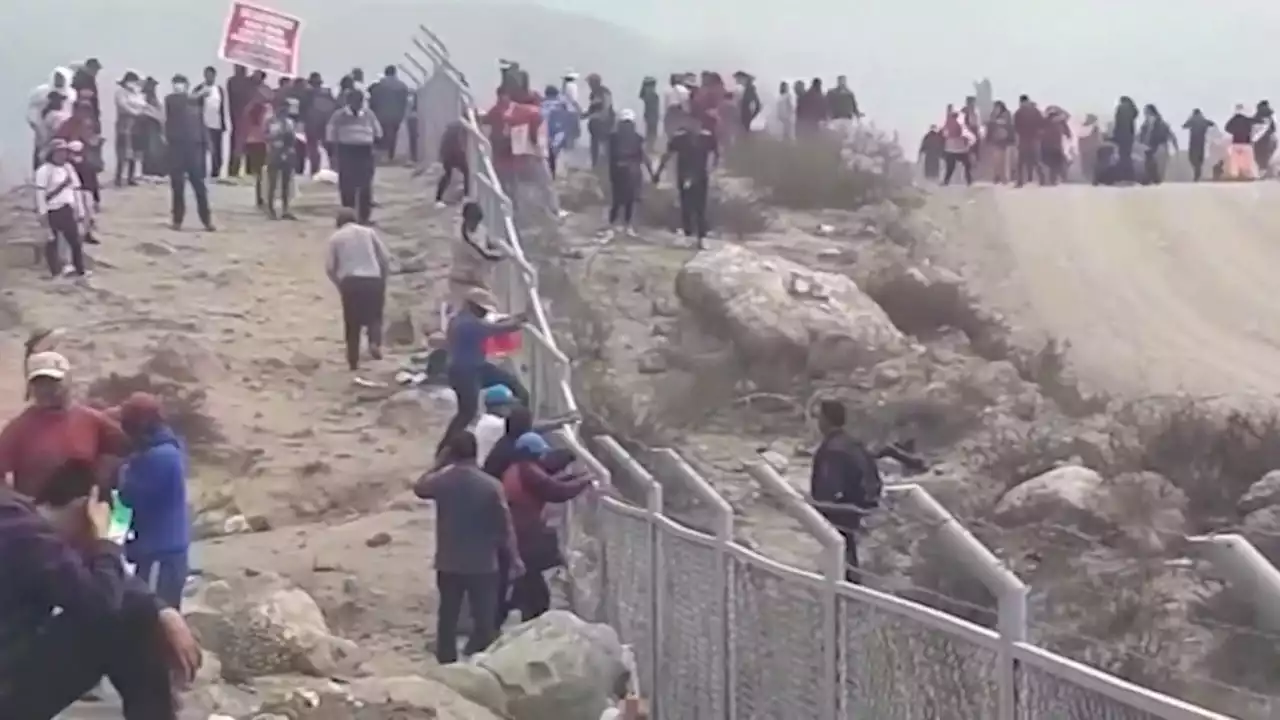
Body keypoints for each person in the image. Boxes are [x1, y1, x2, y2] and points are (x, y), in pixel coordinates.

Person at [0, 471, 202, 719]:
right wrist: (107, 542)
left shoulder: (19, 522)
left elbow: (86, 576)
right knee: (127, 618)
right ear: (86, 507)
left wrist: (160, 608)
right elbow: (100, 602)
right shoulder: (17, 525)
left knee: (131, 607)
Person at [413, 430, 521, 664]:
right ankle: (484, 663)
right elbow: (505, 527)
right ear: (475, 452)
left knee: (448, 616)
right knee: (484, 619)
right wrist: (514, 559)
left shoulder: (442, 481)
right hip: (482, 562)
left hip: (449, 561)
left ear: (451, 454)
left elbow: (419, 488)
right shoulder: (491, 486)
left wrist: (437, 464)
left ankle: (446, 663)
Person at [0, 352, 129, 499]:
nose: (46, 389)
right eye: (39, 383)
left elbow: (132, 448)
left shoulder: (93, 420)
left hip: (85, 514)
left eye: (53, 382)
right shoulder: (18, 429)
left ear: (69, 380)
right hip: (37, 516)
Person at [498, 432, 591, 624]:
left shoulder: (516, 469)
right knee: (534, 589)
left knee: (527, 583)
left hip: (518, 530)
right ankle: (520, 618)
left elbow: (550, 484)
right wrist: (584, 482)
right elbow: (556, 491)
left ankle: (512, 613)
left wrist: (574, 477)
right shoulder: (529, 471)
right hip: (524, 533)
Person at [116, 392, 189, 610]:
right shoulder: (168, 449)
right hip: (164, 550)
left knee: (157, 615)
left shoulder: (158, 457)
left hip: (161, 554)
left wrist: (122, 472)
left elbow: (130, 497)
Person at [438, 289, 529, 456]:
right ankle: (445, 449)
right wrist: (521, 320)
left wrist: (516, 318)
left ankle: (521, 425)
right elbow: (498, 328)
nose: (485, 313)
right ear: (474, 307)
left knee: (512, 384)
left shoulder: (460, 320)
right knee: (467, 412)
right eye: (484, 310)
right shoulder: (468, 323)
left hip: (472, 367)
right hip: (466, 371)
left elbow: (494, 325)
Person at [809, 400, 881, 583]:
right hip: (862, 508)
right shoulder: (854, 443)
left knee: (841, 556)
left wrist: (818, 506)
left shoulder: (832, 450)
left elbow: (828, 487)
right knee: (849, 555)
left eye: (819, 417)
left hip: (842, 511)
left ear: (825, 420)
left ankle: (844, 591)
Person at [326, 207, 390, 372]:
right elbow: (384, 258)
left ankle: (353, 360)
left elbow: (330, 268)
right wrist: (383, 278)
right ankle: (374, 342)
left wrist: (339, 284)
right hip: (373, 278)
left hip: (350, 281)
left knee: (352, 323)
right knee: (375, 315)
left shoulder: (336, 238)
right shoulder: (369, 232)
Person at [653, 117, 717, 248]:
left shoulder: (706, 138)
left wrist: (712, 168)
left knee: (698, 207)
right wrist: (658, 172)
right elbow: (667, 155)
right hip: (688, 176)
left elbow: (716, 153)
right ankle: (691, 236)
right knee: (688, 206)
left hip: (698, 176)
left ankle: (699, 237)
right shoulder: (682, 138)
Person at [164, 75, 215, 232]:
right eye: (176, 84)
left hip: (195, 148)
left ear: (186, 85)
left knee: (199, 186)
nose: (178, 86)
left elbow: (202, 123)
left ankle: (206, 220)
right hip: (177, 148)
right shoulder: (171, 100)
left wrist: (208, 143)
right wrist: (200, 94)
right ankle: (177, 220)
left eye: (181, 84)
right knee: (177, 186)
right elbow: (181, 101)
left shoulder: (196, 104)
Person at [326, 88, 383, 224]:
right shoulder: (339, 116)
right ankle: (348, 217)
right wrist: (333, 155)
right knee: (347, 186)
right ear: (348, 101)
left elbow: (378, 133)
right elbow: (330, 134)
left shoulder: (369, 115)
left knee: (365, 186)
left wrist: (375, 149)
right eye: (354, 101)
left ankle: (364, 218)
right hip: (346, 151)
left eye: (359, 101)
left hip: (365, 152)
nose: (357, 103)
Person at [34, 138, 88, 278]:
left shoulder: (68, 168)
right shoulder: (44, 170)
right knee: (52, 241)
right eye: (59, 152)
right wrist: (42, 212)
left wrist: (80, 210)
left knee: (75, 241)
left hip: (67, 209)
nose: (62, 155)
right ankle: (55, 271)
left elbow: (76, 189)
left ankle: (80, 269)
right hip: (52, 210)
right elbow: (40, 193)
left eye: (64, 152)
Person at [605, 109, 652, 238]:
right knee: (630, 200)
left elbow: (608, 157)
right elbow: (644, 156)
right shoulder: (638, 137)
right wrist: (652, 173)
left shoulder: (612, 137)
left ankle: (612, 226)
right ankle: (628, 226)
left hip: (617, 171)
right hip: (633, 172)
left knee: (616, 200)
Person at [448, 201, 504, 309]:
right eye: (473, 222)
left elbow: (489, 243)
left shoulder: (479, 229)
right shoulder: (463, 238)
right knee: (491, 303)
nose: (475, 225)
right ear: (466, 219)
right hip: (462, 283)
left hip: (477, 281)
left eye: (477, 222)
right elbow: (485, 256)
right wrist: (507, 255)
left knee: (490, 303)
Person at [264, 97, 302, 220]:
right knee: (273, 183)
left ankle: (286, 208)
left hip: (287, 152)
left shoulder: (290, 122)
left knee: (286, 183)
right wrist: (275, 136)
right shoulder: (270, 121)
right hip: (274, 152)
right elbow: (265, 136)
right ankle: (270, 208)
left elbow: (293, 139)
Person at [239, 76, 273, 207]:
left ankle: (261, 197)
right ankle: (262, 197)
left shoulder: (249, 108)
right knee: (263, 172)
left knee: (259, 173)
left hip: (253, 141)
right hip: (261, 142)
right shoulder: (265, 109)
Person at [368, 66, 410, 161]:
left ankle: (384, 155)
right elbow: (404, 101)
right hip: (397, 115)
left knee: (383, 135)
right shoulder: (402, 86)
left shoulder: (379, 86)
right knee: (393, 135)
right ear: (395, 73)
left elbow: (373, 100)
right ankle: (391, 154)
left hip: (382, 114)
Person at [113, 72, 148, 187]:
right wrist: (136, 112)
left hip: (136, 125)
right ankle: (118, 178)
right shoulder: (120, 93)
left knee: (134, 151)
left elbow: (143, 105)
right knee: (122, 152)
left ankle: (130, 177)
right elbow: (123, 106)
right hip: (124, 124)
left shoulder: (136, 93)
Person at [192, 66, 227, 179]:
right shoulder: (199, 88)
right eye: (207, 74)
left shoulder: (219, 89)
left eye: (211, 74)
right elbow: (192, 102)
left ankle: (215, 173)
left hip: (216, 124)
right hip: (202, 123)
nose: (209, 76)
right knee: (201, 149)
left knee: (216, 150)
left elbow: (222, 107)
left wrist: (223, 123)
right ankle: (201, 172)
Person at [303, 74, 339, 176]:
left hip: (312, 123)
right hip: (327, 122)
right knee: (329, 148)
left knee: (312, 147)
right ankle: (334, 168)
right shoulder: (328, 93)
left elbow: (303, 109)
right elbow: (335, 107)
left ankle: (315, 170)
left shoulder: (308, 94)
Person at [475, 385, 517, 466]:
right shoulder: (493, 423)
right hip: (485, 468)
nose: (510, 408)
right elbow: (521, 427)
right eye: (508, 404)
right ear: (496, 406)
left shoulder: (487, 419)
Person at [436, 110, 470, 205]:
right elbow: (459, 142)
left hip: (447, 153)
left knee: (448, 174)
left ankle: (438, 198)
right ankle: (467, 196)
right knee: (467, 172)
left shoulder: (454, 125)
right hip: (453, 153)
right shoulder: (463, 127)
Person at [225, 65, 253, 177]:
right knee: (238, 146)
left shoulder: (246, 82)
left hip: (245, 118)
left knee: (246, 145)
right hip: (237, 117)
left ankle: (242, 171)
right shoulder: (233, 82)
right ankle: (234, 171)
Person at [542, 86, 575, 179]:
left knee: (547, 155)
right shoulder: (562, 104)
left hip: (544, 132)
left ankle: (550, 175)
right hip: (558, 131)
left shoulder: (542, 103)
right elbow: (572, 114)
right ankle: (554, 175)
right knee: (555, 154)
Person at [137, 78, 167, 179]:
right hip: (147, 127)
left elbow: (160, 113)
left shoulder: (154, 99)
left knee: (155, 149)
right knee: (149, 149)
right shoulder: (143, 99)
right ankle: (150, 171)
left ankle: (156, 170)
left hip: (155, 127)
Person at [1138, 104, 1175, 185]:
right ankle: (1152, 178)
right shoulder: (1145, 124)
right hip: (1148, 146)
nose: (1145, 115)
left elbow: (1170, 134)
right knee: (1149, 162)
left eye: (1147, 112)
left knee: (1154, 162)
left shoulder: (1161, 123)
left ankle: (1153, 178)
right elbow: (1141, 134)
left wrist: (1174, 145)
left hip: (1158, 145)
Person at [1013, 95, 1044, 187]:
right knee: (1035, 161)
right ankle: (1042, 179)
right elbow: (1042, 124)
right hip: (1032, 139)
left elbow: (1016, 128)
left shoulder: (1019, 113)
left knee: (1022, 162)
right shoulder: (1035, 111)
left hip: (1026, 139)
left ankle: (1020, 181)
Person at [584, 74, 615, 167]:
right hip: (597, 123)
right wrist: (584, 115)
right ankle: (595, 164)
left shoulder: (604, 92)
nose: (589, 85)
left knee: (607, 145)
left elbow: (606, 107)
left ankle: (606, 165)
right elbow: (592, 109)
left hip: (606, 122)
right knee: (595, 145)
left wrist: (597, 116)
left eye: (590, 83)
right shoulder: (594, 93)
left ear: (595, 83)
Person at [1224, 105, 1258, 180]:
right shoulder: (1247, 119)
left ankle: (1235, 174)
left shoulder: (1233, 120)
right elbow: (1256, 123)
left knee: (1235, 160)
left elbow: (1226, 128)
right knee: (1248, 160)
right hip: (1246, 142)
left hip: (1236, 142)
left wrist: (1234, 132)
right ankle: (1250, 174)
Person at [1041, 106, 1073, 186]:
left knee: (1050, 163)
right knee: (1055, 164)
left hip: (1047, 146)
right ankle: (1054, 179)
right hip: (1055, 146)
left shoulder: (1045, 121)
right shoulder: (1060, 122)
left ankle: (1051, 179)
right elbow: (1068, 133)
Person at [985, 101, 1014, 184]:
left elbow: (1010, 127)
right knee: (997, 159)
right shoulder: (994, 116)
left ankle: (1001, 177)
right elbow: (990, 128)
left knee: (1002, 160)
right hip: (997, 141)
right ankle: (998, 176)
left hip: (1003, 141)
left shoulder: (1005, 115)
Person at [1112, 96, 1140, 184]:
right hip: (1129, 137)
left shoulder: (1120, 108)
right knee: (1127, 156)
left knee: (1123, 157)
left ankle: (1123, 177)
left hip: (1122, 136)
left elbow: (1118, 123)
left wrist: (1115, 136)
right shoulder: (1132, 110)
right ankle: (1130, 177)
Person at [1183, 109, 1215, 182]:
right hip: (1201, 142)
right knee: (1200, 158)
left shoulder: (1192, 119)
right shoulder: (1203, 120)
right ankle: (1198, 171)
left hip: (1193, 142)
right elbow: (1212, 123)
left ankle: (1197, 171)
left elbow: (1185, 126)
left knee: (1192, 158)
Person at [70, 58, 103, 124]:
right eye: (95, 69)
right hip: (83, 114)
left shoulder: (90, 79)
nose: (96, 72)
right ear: (88, 68)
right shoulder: (80, 80)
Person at [1254, 100, 1276, 176]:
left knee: (1259, 155)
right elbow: (1273, 129)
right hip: (1268, 139)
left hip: (1258, 140)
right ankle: (1265, 170)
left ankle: (1261, 170)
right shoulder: (1269, 117)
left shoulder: (1256, 116)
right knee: (1267, 155)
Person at [639, 77, 660, 149]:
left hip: (649, 116)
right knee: (652, 134)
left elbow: (641, 95)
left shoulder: (647, 95)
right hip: (652, 116)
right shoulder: (652, 95)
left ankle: (650, 148)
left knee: (650, 133)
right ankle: (650, 148)